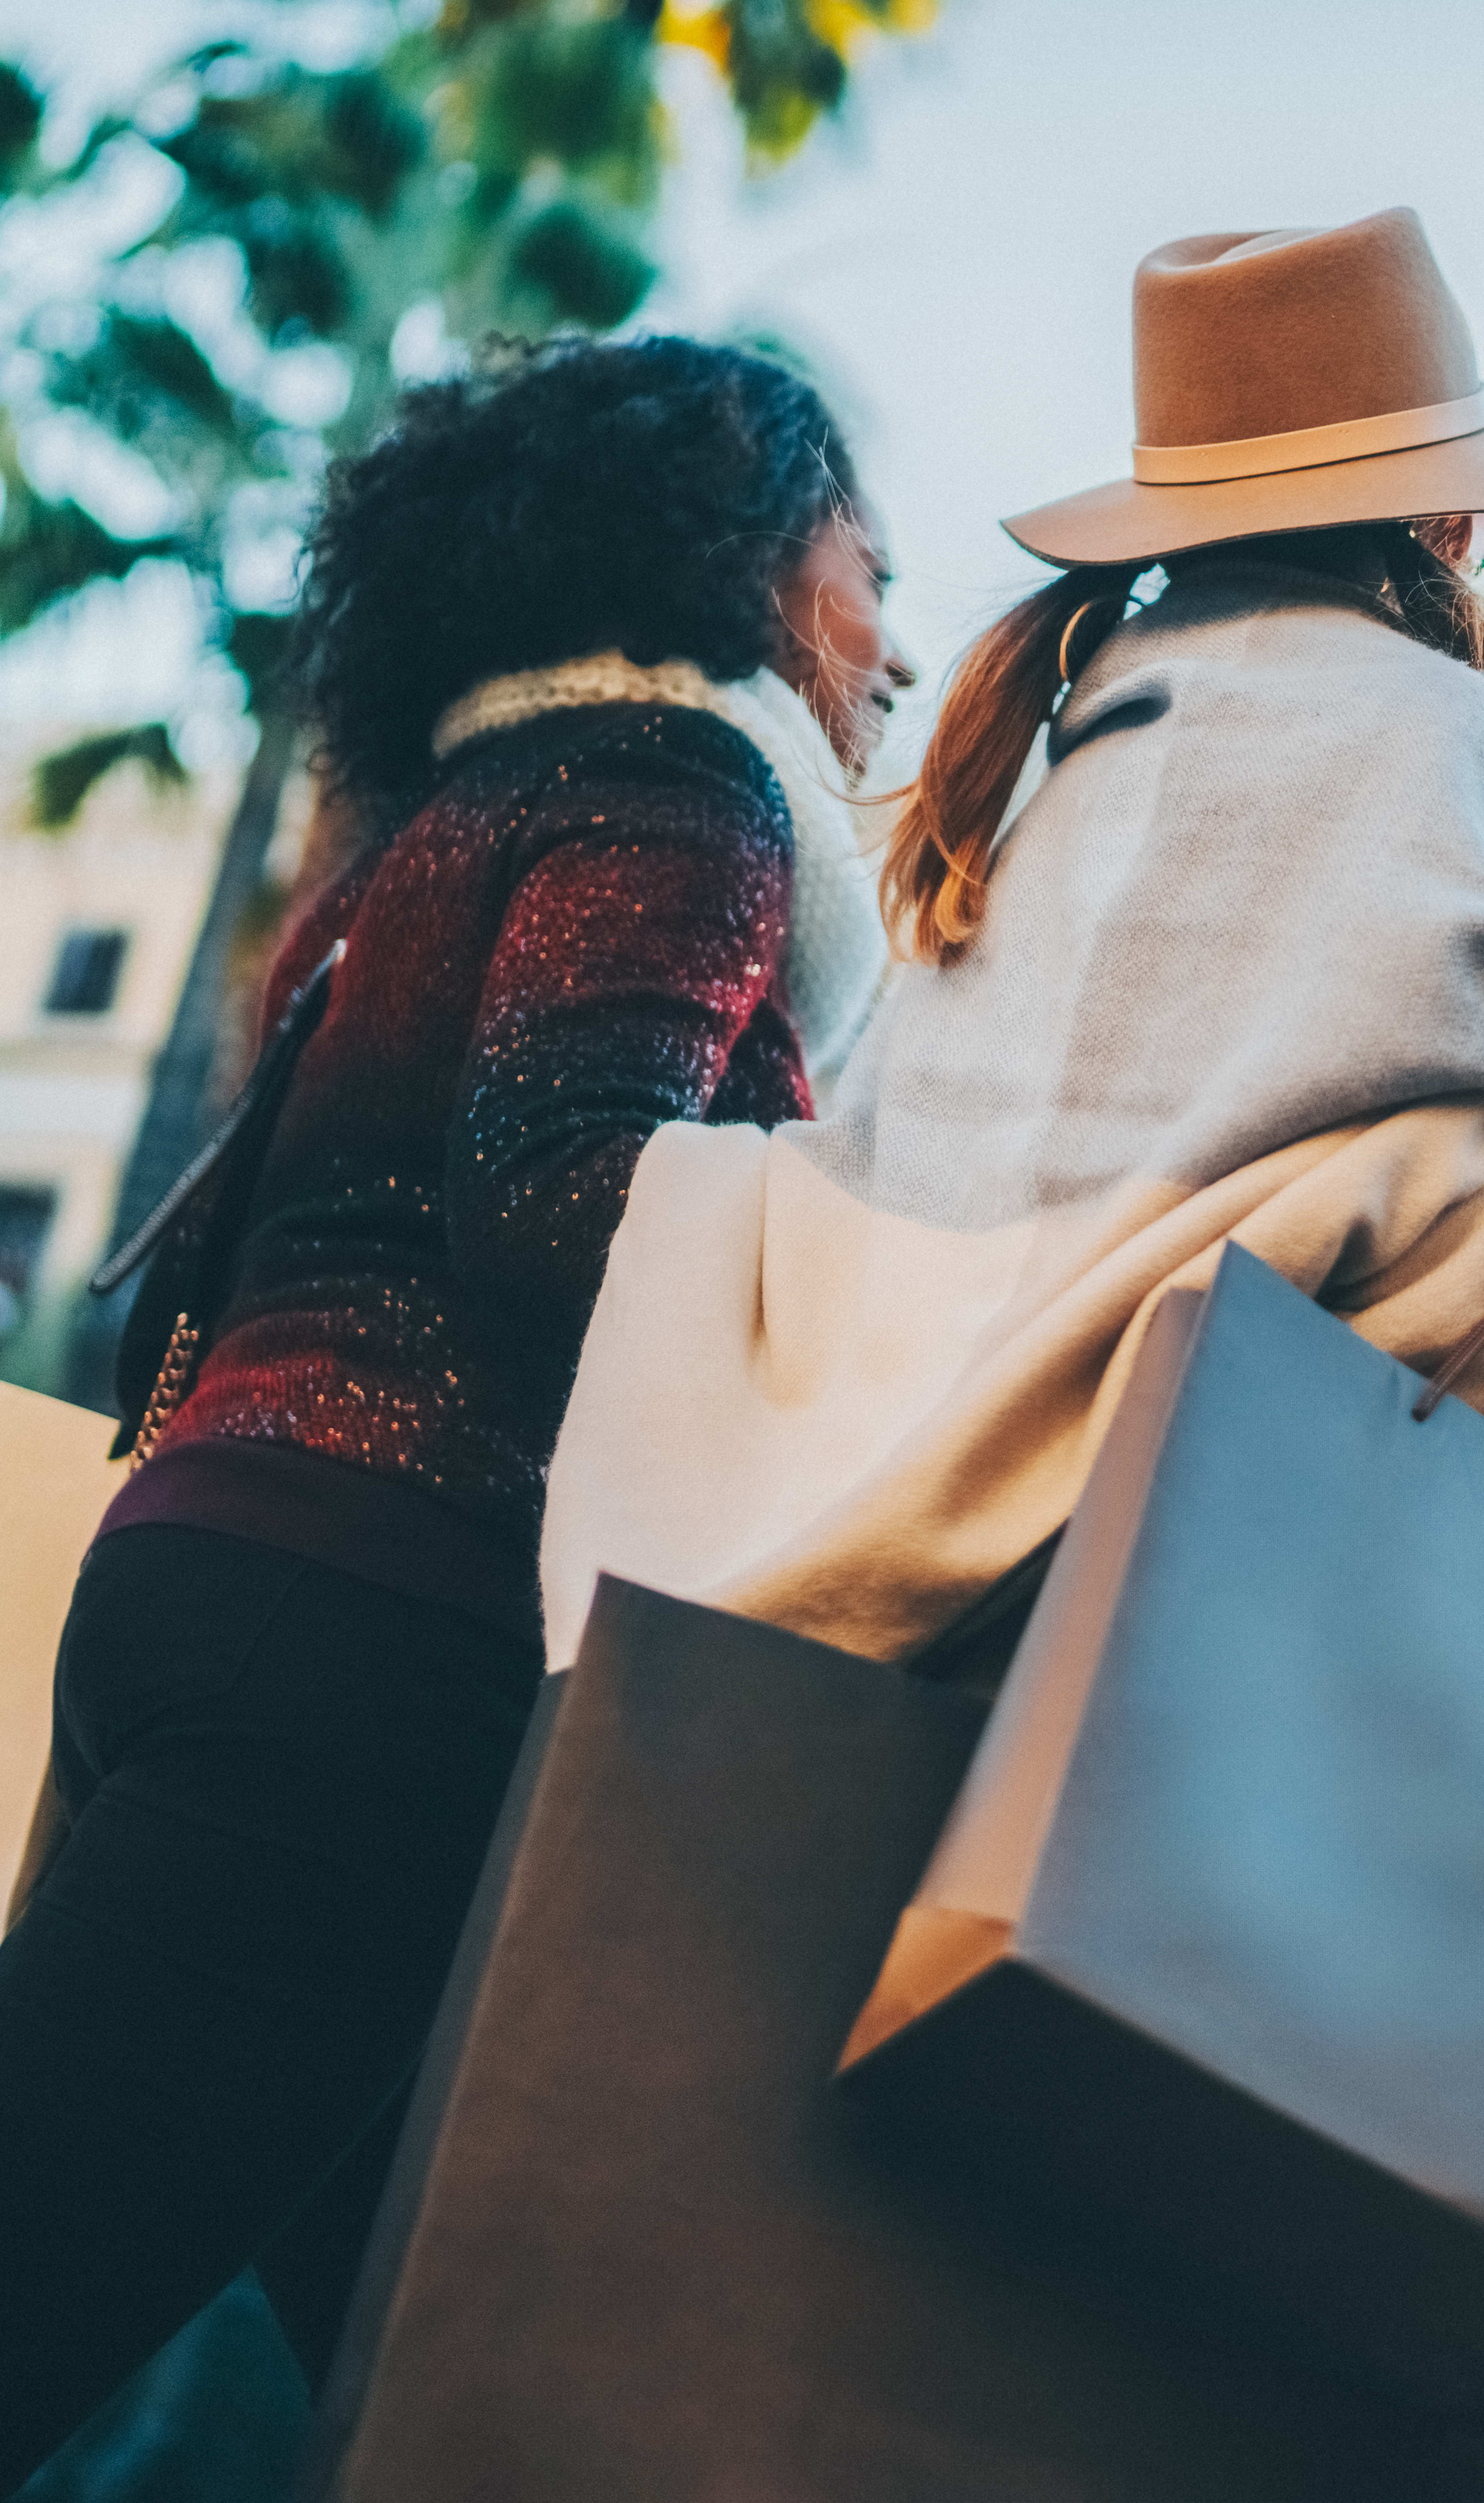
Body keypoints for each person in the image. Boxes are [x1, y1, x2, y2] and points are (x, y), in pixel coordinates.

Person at [538, 209, 1484, 1676]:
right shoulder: (1454, 742)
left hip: (875, 1685)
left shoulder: (1050, 776)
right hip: (1207, 1695)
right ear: (1448, 520)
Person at [0, 332, 913, 2487]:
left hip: (224, 1586)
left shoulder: (449, 809)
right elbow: (561, 1208)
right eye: (876, 566)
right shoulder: (688, 791)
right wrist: (900, 1269)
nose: (899, 639)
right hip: (377, 1659)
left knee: (407, 2394)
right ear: (764, 564)